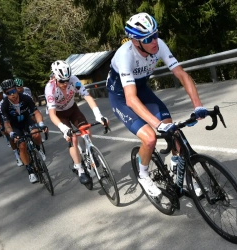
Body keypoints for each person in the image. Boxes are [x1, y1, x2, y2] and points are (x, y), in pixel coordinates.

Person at [106, 13, 208, 196]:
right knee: (150, 138)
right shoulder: (125, 55)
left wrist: (198, 105)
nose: (154, 41)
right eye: (148, 38)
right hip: (121, 96)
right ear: (136, 42)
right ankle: (143, 175)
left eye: (156, 34)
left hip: (142, 90)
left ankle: (181, 172)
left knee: (174, 132)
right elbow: (130, 99)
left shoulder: (158, 44)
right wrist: (158, 124)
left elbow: (182, 75)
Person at [45, 60, 107, 184]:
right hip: (59, 114)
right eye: (62, 81)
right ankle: (80, 170)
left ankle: (90, 151)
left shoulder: (73, 80)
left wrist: (99, 115)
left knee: (86, 130)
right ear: (55, 78)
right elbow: (52, 114)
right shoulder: (50, 88)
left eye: (67, 80)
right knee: (73, 138)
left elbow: (87, 97)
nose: (65, 83)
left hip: (72, 109)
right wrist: (64, 129)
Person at [0, 79, 47, 183]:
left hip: (27, 120)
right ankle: (30, 171)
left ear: (17, 89)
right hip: (15, 125)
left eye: (14, 91)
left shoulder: (25, 97)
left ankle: (38, 148)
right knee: (22, 145)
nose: (13, 94)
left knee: (36, 134)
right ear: (5, 94)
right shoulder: (4, 105)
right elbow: (7, 123)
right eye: (9, 93)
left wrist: (41, 124)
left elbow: (36, 112)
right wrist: (11, 133)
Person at [0, 84, 24, 166]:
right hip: (1, 115)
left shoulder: (6, 96)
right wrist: (0, 127)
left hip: (10, 112)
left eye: (0, 94)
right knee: (10, 136)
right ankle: (17, 156)